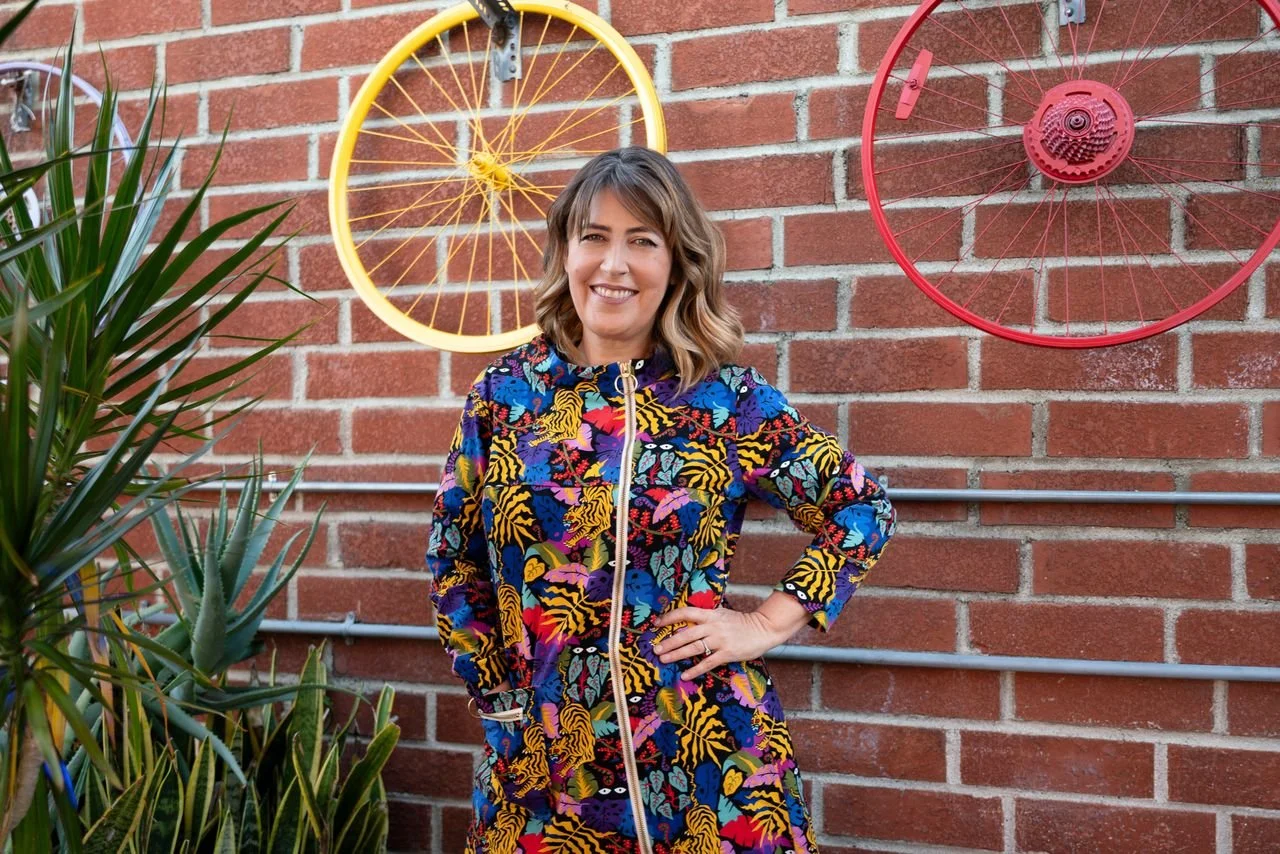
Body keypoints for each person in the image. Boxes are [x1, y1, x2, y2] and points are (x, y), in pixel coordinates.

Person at [426, 146, 895, 854]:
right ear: (565, 251)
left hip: (712, 763)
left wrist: (764, 624)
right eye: (595, 237)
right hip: (547, 769)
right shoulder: (505, 395)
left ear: (676, 263)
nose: (614, 265)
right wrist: (503, 700)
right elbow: (453, 557)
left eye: (642, 242)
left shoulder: (725, 400)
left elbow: (860, 509)